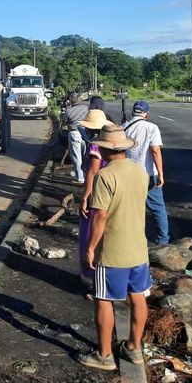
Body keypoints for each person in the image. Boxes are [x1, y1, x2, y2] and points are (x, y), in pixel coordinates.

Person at [78, 124, 150, 371]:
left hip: (113, 251)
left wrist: (90, 248)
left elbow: (100, 217)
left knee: (103, 299)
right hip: (139, 248)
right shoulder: (141, 172)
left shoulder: (105, 176)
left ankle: (104, 354)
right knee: (137, 297)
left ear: (106, 149)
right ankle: (134, 348)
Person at [123, 100, 170, 245]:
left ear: (133, 112)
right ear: (147, 114)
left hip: (129, 173)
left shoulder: (123, 127)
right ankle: (162, 240)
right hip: (148, 173)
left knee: (133, 207)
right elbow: (155, 150)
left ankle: (133, 238)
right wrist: (161, 174)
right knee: (157, 208)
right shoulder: (152, 128)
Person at [77, 108, 111, 292]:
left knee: (89, 234)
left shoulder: (95, 146)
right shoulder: (107, 144)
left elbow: (92, 171)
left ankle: (90, 277)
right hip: (107, 192)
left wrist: (85, 197)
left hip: (95, 194)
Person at [63, 93, 89, 183]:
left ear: (70, 101)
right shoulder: (85, 108)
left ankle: (80, 178)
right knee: (85, 155)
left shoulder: (68, 110)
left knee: (76, 156)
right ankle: (87, 176)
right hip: (85, 132)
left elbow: (65, 121)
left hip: (74, 133)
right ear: (79, 100)